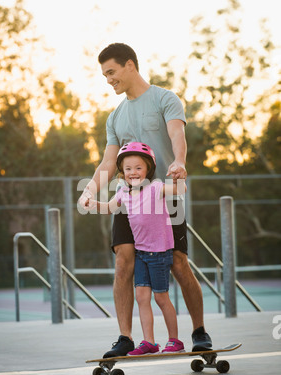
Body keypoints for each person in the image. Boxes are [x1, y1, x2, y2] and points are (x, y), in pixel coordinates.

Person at [79, 43, 212, 357]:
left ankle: (198, 332)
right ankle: (125, 337)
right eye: (104, 75)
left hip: (165, 196)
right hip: (130, 200)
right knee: (123, 263)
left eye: (111, 72)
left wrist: (179, 161)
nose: (108, 79)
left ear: (129, 65)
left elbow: (177, 136)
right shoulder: (115, 117)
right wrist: (90, 190)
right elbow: (109, 163)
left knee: (179, 264)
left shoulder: (164, 99)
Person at [89, 142, 186, 355]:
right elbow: (108, 208)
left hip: (160, 253)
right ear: (122, 173)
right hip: (141, 253)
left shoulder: (156, 188)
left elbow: (180, 190)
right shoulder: (123, 192)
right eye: (128, 169)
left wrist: (179, 174)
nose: (133, 172)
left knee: (161, 298)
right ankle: (149, 342)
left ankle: (175, 340)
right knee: (142, 298)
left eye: (138, 168)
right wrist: (93, 203)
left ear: (148, 169)